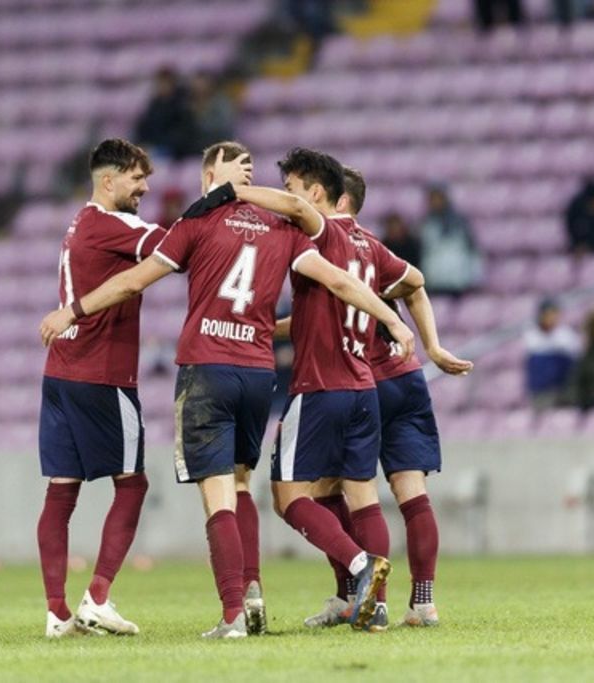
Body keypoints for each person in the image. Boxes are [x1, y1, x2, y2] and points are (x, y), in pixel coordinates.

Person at [40, 142, 415, 637]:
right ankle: (257, 592)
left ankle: (235, 614)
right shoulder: (283, 229)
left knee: (218, 495)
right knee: (242, 486)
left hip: (207, 369)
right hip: (259, 374)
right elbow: (340, 282)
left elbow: (134, 281)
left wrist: (75, 309)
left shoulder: (195, 224)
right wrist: (391, 317)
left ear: (208, 176)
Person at [291, 166, 473, 631]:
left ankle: (360, 597)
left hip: (360, 381)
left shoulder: (328, 243)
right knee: (413, 495)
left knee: (339, 491)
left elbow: (328, 310)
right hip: (407, 378)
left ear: (338, 200)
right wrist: (431, 345)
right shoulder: (373, 250)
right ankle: (424, 603)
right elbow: (416, 282)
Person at [37, 139, 162, 638]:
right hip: (102, 374)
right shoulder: (117, 225)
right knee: (133, 484)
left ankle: (56, 614)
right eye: (136, 178)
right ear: (108, 181)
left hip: (61, 370)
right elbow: (176, 247)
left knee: (61, 493)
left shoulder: (79, 223)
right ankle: (99, 598)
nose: (145, 187)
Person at [418, 184, 483, 297]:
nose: (436, 202)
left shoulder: (460, 223)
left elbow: (472, 249)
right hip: (434, 280)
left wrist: (473, 276)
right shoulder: (425, 225)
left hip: (457, 279)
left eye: (438, 198)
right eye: (433, 199)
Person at [524, 298, 581, 409]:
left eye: (554, 313)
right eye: (547, 314)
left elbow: (574, 364)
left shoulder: (567, 335)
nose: (551, 317)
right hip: (540, 390)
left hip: (561, 389)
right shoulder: (531, 335)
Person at [134, 67, 197, 160]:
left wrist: (157, 145)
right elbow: (144, 127)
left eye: (164, 83)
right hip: (155, 147)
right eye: (159, 83)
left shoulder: (181, 105)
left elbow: (182, 134)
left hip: (175, 152)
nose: (161, 86)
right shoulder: (154, 104)